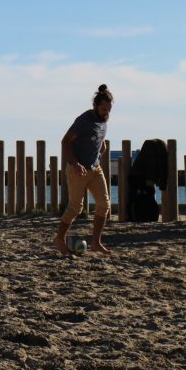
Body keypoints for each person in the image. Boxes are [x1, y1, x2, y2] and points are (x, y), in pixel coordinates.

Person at [53, 84, 114, 257]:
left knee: (104, 205)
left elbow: (99, 135)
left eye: (109, 109)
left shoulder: (104, 120)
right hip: (77, 170)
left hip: (95, 168)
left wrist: (102, 146)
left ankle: (96, 243)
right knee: (75, 208)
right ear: (95, 106)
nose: (106, 112)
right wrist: (75, 164)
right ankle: (59, 239)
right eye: (103, 109)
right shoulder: (83, 120)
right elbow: (65, 142)